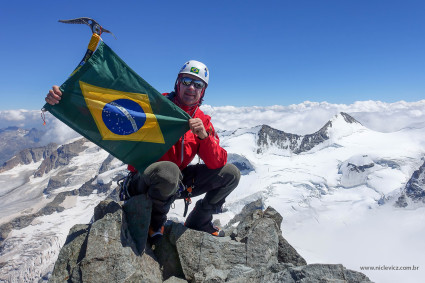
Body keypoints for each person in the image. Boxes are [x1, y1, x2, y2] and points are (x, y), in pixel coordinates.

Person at [45, 60, 241, 240]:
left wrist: (204, 138)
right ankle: (154, 222)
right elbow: (108, 107)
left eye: (198, 84)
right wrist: (65, 98)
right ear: (177, 83)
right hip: (144, 178)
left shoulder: (203, 121)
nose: (191, 87)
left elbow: (217, 163)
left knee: (231, 174)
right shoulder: (155, 105)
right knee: (168, 172)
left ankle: (200, 219)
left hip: (176, 182)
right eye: (187, 80)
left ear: (203, 91)